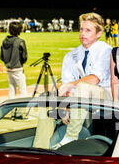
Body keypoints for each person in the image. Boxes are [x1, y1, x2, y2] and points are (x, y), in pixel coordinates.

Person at [33, 12, 112, 149]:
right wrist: (65, 106)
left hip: (103, 98)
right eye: (81, 29)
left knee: (83, 86)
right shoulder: (70, 56)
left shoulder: (106, 51)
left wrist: (70, 87)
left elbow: (94, 79)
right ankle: (40, 148)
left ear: (98, 33)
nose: (83, 33)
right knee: (46, 101)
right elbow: (66, 87)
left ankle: (70, 137)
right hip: (78, 99)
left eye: (88, 30)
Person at [0, 21, 28, 101]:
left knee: (11, 89)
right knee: (23, 90)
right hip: (18, 68)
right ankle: (22, 110)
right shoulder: (20, 41)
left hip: (8, 68)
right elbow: (24, 57)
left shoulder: (4, 41)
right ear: (19, 30)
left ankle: (9, 108)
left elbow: (2, 56)